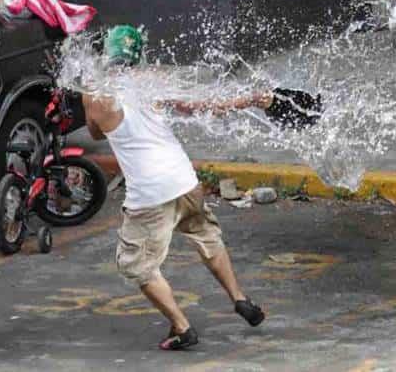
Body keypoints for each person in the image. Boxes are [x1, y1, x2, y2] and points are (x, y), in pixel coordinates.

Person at [83, 24, 269, 350]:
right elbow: (206, 106)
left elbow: (96, 133)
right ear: (138, 57)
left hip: (150, 196)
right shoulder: (151, 84)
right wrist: (252, 99)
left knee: (136, 265)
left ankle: (182, 327)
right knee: (206, 237)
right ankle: (239, 298)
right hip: (185, 181)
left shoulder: (94, 93)